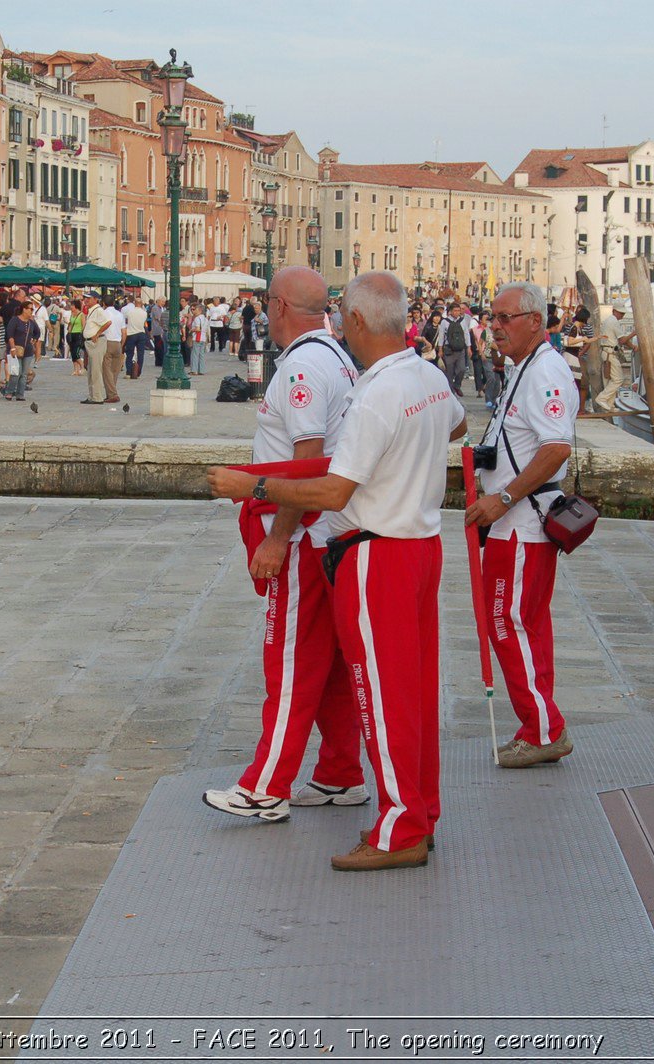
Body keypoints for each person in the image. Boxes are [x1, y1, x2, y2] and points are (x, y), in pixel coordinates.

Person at [207, 271, 466, 872]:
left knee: (383, 696)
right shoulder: (425, 375)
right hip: (420, 543)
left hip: (379, 553)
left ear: (353, 320)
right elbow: (453, 424)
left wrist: (255, 485)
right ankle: (420, 812)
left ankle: (399, 829)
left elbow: (335, 488)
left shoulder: (378, 393)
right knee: (413, 691)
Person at [202, 266, 366, 823]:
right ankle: (341, 772)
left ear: (277, 307)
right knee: (331, 663)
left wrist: (278, 537)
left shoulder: (302, 364)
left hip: (302, 534)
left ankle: (267, 785)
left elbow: (306, 456)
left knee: (291, 661)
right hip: (330, 532)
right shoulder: (340, 357)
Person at [464, 281, 577, 770]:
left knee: (506, 623)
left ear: (536, 320)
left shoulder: (545, 371)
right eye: (493, 318)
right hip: (514, 524)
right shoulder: (522, 369)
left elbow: (556, 448)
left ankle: (543, 729)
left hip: (521, 525)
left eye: (506, 318)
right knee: (528, 625)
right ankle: (540, 724)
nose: (496, 326)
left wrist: (503, 497)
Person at [590, 302, 634, 413]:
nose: (622, 315)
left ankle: (609, 405)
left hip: (606, 352)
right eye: (621, 313)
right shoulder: (613, 321)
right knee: (619, 379)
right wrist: (634, 334)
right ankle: (602, 398)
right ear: (614, 311)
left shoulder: (608, 320)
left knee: (610, 379)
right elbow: (622, 340)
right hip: (610, 352)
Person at [80, 291, 112, 404]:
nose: (86, 300)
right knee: (90, 371)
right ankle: (92, 395)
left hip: (96, 343)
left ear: (95, 299)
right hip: (90, 343)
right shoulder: (91, 311)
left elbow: (108, 323)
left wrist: (97, 333)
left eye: (89, 298)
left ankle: (97, 397)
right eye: (85, 298)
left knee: (96, 371)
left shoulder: (98, 310)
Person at [2, 302, 36, 401]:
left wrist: (34, 340)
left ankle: (20, 394)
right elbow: (10, 335)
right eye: (30, 309)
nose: (31, 311)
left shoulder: (31, 322)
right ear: (24, 309)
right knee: (16, 372)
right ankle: (9, 391)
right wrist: (12, 348)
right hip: (15, 350)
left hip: (28, 351)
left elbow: (37, 332)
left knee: (24, 374)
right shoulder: (15, 320)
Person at [102, 296, 126, 403]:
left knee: (106, 370)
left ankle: (112, 394)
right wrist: (121, 344)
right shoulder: (120, 314)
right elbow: (124, 332)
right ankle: (111, 392)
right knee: (115, 370)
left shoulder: (103, 313)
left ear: (104, 303)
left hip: (107, 341)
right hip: (118, 342)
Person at [123, 295, 149, 379]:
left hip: (131, 333)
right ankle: (138, 371)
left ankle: (129, 371)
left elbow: (126, 319)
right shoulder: (144, 313)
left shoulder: (130, 312)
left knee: (129, 353)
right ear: (141, 304)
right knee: (140, 353)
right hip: (141, 333)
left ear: (134, 303)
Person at [188, 301, 208, 375]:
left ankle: (194, 370)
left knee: (195, 354)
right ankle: (201, 370)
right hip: (203, 338)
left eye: (194, 309)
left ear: (199, 310)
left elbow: (198, 329)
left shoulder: (197, 319)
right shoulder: (205, 318)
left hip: (197, 337)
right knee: (201, 354)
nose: (193, 311)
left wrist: (191, 330)